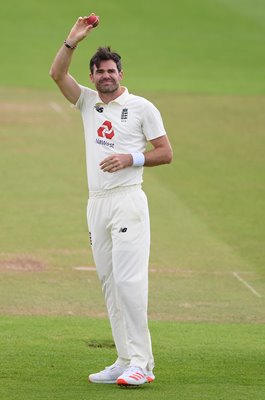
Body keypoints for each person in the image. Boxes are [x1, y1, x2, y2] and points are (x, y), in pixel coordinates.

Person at [50, 14, 173, 387]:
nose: (106, 76)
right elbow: (57, 75)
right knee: (109, 282)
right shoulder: (88, 103)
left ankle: (143, 363)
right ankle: (123, 358)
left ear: (121, 74)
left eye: (111, 71)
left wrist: (130, 158)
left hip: (127, 200)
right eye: (99, 71)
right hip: (97, 202)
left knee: (130, 283)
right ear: (92, 77)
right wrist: (72, 39)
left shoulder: (141, 107)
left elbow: (165, 152)